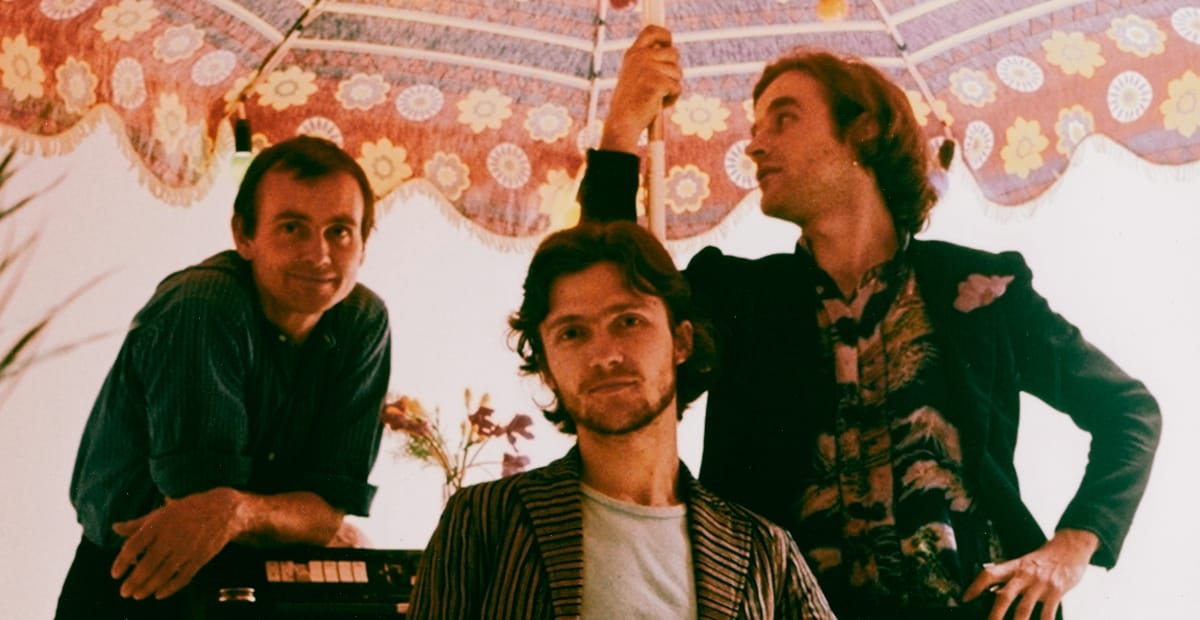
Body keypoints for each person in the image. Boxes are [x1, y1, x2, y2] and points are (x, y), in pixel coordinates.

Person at [577, 26, 1161, 620]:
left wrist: (1070, 547)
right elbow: (604, 304)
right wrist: (624, 127)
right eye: (756, 128)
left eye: (783, 119)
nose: (754, 146)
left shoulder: (984, 289)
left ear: (863, 132)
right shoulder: (737, 298)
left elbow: (1129, 413)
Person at [407, 221, 834, 619]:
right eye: (572, 332)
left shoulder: (764, 552)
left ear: (681, 341)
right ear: (547, 366)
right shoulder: (485, 521)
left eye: (629, 321)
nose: (605, 355)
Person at [55, 136, 392, 619]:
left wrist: (242, 511)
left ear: (363, 242)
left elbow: (325, 510)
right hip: (134, 582)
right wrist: (272, 516)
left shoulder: (363, 320)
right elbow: (198, 509)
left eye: (340, 231)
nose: (319, 254)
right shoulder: (204, 306)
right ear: (244, 235)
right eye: (293, 227)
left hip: (263, 581)